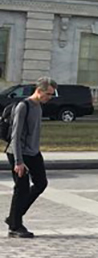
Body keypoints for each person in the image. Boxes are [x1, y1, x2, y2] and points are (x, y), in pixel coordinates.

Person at [5, 77, 57, 239]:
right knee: (21, 189)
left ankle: (14, 216)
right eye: (48, 94)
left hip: (33, 152)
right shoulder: (24, 106)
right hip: (18, 152)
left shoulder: (38, 107)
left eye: (52, 95)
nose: (50, 97)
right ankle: (15, 226)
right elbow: (16, 135)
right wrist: (19, 162)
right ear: (39, 91)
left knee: (41, 183)